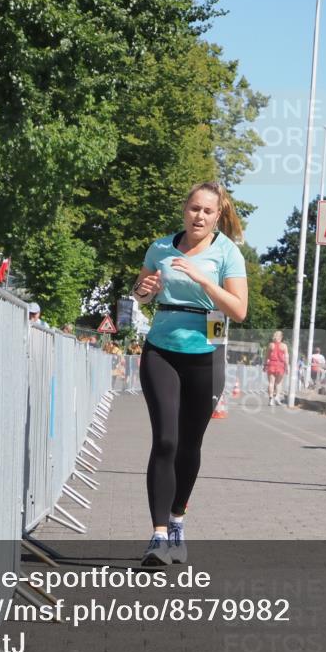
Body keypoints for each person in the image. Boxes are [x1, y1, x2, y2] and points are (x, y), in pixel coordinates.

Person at [130, 182, 248, 566]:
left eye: (207, 211)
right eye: (194, 208)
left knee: (189, 444)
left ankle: (178, 519)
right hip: (160, 348)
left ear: (218, 216)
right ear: (185, 209)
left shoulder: (227, 253)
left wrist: (203, 280)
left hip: (206, 350)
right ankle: (158, 535)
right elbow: (142, 293)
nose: (199, 216)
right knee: (165, 439)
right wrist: (144, 289)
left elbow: (239, 310)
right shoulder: (160, 247)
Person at [264, 331, 289, 406]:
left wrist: (265, 365)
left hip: (271, 364)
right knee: (279, 383)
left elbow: (267, 356)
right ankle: (277, 397)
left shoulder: (271, 345)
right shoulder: (284, 346)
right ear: (281, 337)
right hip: (280, 365)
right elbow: (286, 358)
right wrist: (287, 367)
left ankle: (270, 399)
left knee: (271, 383)